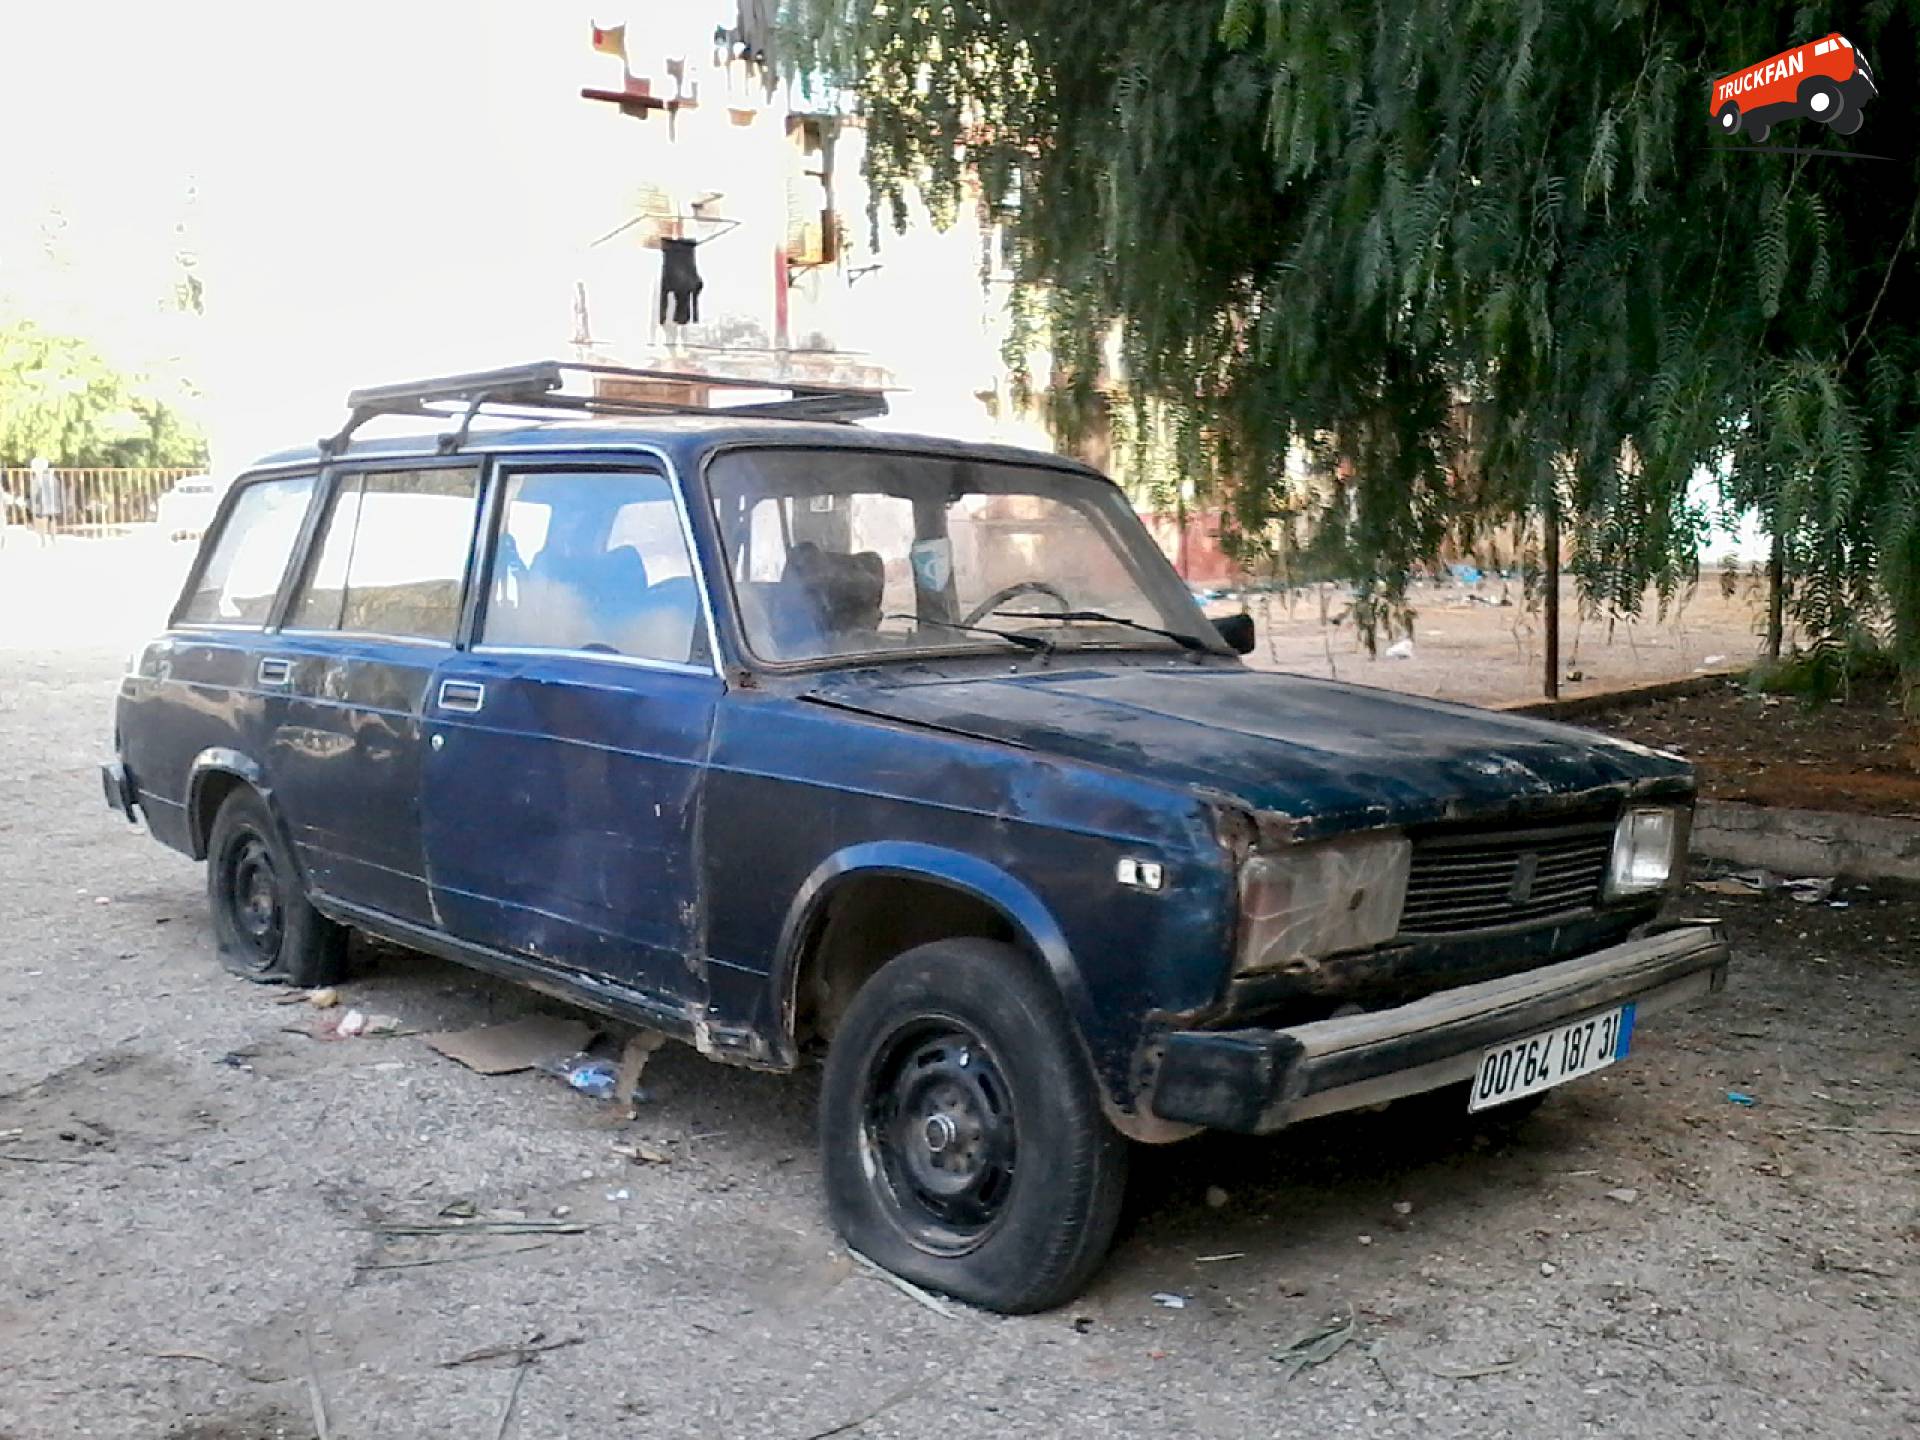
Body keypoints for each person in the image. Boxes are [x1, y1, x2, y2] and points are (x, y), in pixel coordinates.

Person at [28, 457, 62, 546]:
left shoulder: (38, 478)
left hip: (42, 504)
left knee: (42, 519)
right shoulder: (53, 478)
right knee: (51, 519)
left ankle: (43, 539)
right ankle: (52, 538)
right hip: (51, 504)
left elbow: (34, 493)